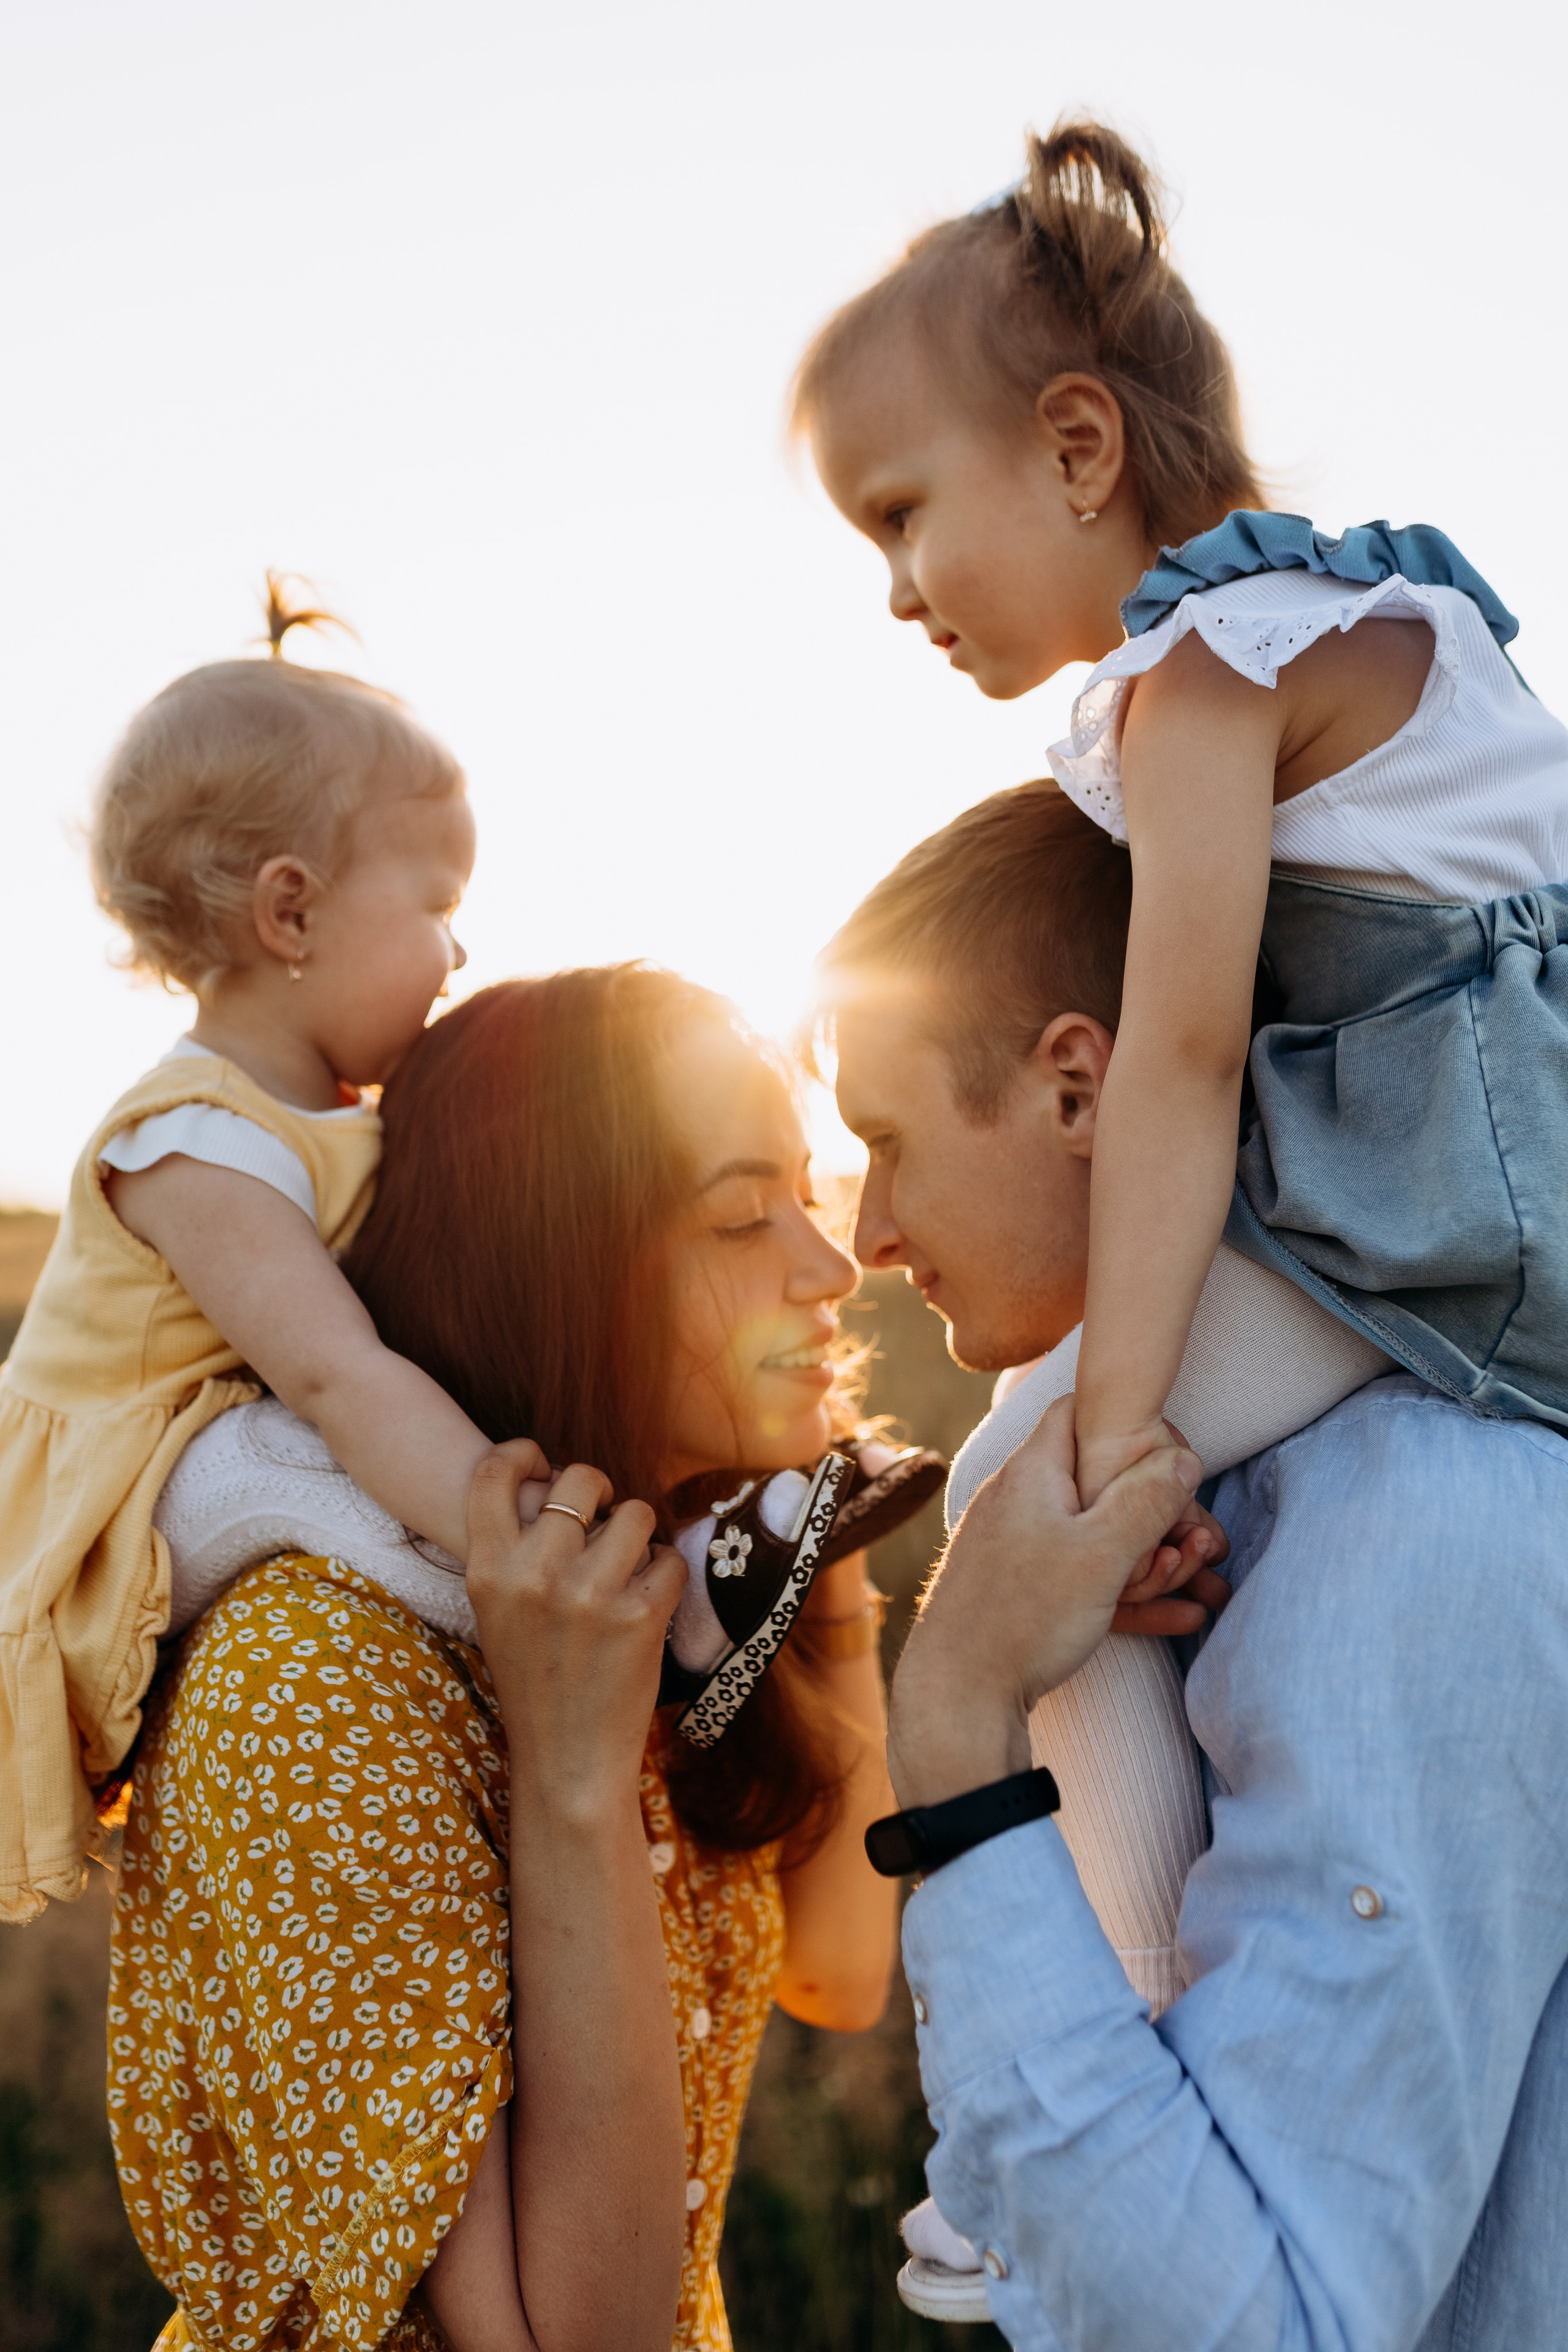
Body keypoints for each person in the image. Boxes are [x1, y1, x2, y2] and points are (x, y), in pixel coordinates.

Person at [815, 794, 1568, 2347]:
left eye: (885, 1144)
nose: (868, 1231)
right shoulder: (1236, 1503)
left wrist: (954, 1714)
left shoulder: (1414, 1534)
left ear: (1079, 1088)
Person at [107, 965, 902, 2352]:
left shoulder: (679, 1588)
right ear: (556, 1273)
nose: (826, 1268)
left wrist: (827, 1558)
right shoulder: (311, 1685)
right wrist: (572, 1770)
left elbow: (840, 1971)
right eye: (737, 1215)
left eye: (804, 1192)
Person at [793, 119, 1568, 1537]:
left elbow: (1184, 1054)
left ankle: (1086, 1768)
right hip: (1487, 1149)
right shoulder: (1355, 610)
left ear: (1075, 446)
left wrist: (1112, 1423)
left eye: (902, 515)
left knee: (1027, 1481)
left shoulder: (1208, 683)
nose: (900, 590)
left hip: (1475, 1184)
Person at [0, 580, 500, 1924]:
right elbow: (338, 1376)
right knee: (280, 1456)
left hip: (198, 1456)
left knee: (297, 1448)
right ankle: (538, 1599)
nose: (459, 949)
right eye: (437, 902)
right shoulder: (196, 1138)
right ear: (291, 915)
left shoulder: (338, 1116)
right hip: (122, 1495)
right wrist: (501, 1516)